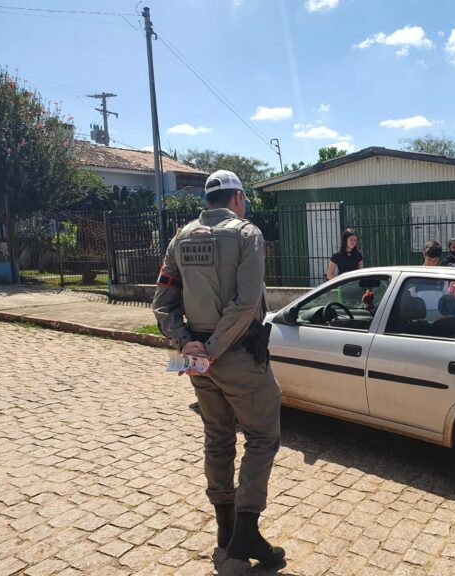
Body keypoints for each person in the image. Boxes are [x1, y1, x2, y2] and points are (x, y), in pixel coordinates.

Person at [152, 169, 284, 566]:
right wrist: (211, 349)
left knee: (218, 436)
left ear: (208, 201)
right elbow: (245, 305)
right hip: (237, 353)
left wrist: (186, 343)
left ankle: (224, 527)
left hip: (198, 356)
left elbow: (162, 303)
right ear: (238, 199)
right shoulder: (247, 234)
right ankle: (245, 531)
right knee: (262, 437)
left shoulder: (180, 237)